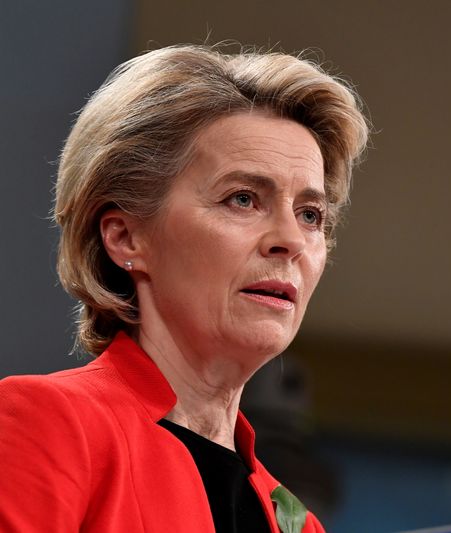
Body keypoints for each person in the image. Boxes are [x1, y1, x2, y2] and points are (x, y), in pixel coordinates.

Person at [0, 44, 369, 533]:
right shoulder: (47, 425)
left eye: (310, 214)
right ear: (126, 236)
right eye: (242, 199)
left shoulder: (298, 525)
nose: (291, 241)